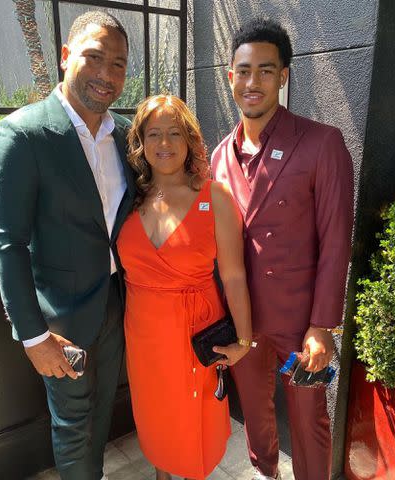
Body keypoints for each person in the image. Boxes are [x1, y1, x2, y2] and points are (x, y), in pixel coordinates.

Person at [0, 11, 135, 480]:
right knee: (73, 426)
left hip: (114, 305)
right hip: (61, 320)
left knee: (100, 416)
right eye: (94, 57)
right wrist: (33, 336)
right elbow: (6, 245)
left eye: (118, 64)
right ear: (66, 56)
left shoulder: (125, 136)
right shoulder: (20, 135)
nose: (106, 74)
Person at [211, 17, 354, 480]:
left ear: (284, 75)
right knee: (254, 415)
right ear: (230, 75)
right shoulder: (218, 157)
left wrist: (322, 325)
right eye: (244, 70)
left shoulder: (321, 143)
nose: (253, 82)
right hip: (244, 322)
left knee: (310, 423)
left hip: (299, 324)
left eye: (266, 71)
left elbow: (336, 240)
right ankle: (265, 473)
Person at [116, 94, 253, 480]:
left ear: (190, 140)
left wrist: (244, 341)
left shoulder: (215, 196)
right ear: (141, 143)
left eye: (174, 133)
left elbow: (234, 276)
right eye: (154, 134)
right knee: (157, 416)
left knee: (194, 421)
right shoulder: (129, 200)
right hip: (143, 336)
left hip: (195, 331)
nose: (164, 144)